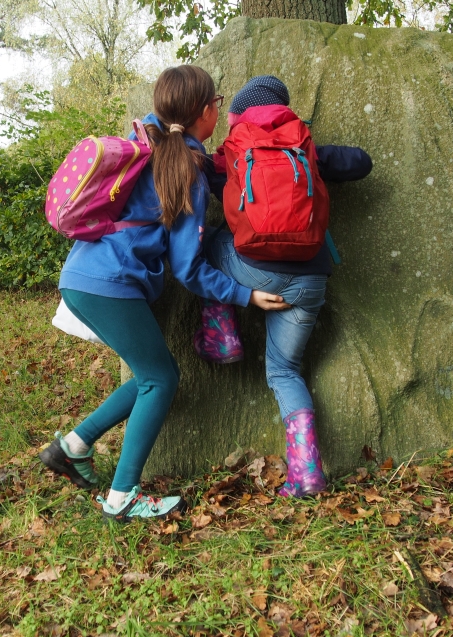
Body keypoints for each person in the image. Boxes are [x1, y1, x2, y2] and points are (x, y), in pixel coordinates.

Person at [39, 65, 290, 523]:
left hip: (83, 276)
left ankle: (72, 447)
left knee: (149, 374)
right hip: (109, 285)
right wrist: (245, 295)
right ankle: (122, 497)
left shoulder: (149, 142)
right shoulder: (186, 169)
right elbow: (189, 269)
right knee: (162, 379)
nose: (219, 109)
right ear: (205, 112)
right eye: (216, 103)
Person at [197, 75, 373, 498]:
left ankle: (222, 335)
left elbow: (198, 171)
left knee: (208, 245)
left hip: (255, 272)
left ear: (237, 114)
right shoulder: (305, 144)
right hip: (310, 280)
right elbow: (362, 162)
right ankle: (307, 474)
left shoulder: (235, 150)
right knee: (284, 371)